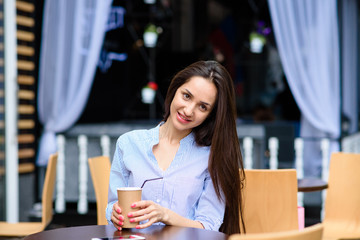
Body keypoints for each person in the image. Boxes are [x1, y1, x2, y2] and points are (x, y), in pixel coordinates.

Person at [106, 60, 245, 234]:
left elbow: (208, 228)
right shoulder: (129, 144)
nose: (188, 110)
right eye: (186, 96)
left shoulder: (212, 157)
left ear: (211, 115)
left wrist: (166, 215)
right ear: (174, 90)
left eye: (202, 107)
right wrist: (114, 214)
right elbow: (112, 205)